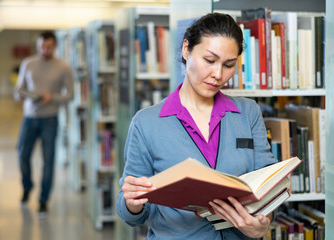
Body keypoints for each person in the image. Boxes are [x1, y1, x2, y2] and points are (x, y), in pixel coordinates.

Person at [117, 13, 278, 239]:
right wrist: (132, 201)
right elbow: (130, 216)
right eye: (210, 61)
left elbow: (268, 186)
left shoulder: (248, 113)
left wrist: (262, 224)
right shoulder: (146, 123)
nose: (218, 74)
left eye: (229, 65)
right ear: (186, 49)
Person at [14, 31, 74, 217]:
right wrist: (21, 94)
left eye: (48, 47)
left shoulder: (64, 67)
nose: (44, 50)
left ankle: (43, 200)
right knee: (22, 155)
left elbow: (70, 95)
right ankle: (27, 186)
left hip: (50, 119)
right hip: (29, 118)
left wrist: (52, 97)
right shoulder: (28, 63)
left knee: (48, 162)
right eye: (41, 46)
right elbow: (17, 92)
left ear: (54, 46)